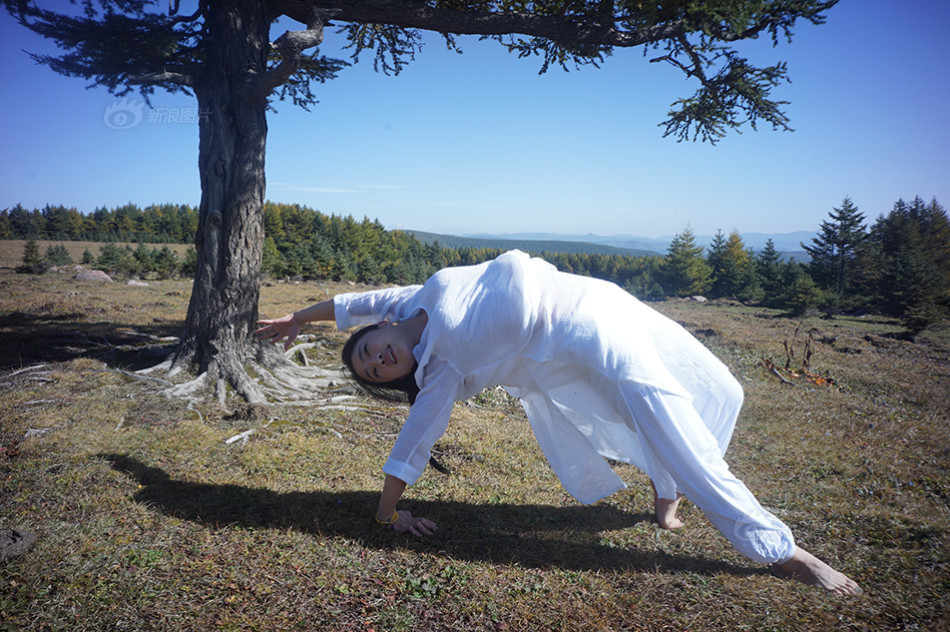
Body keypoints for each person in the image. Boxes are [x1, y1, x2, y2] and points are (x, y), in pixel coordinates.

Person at [255, 250, 861, 595]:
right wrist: (388, 513)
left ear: (379, 330)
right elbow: (414, 441)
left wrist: (297, 320)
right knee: (666, 417)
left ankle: (665, 492)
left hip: (601, 297)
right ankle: (779, 550)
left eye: (368, 351)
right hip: (577, 338)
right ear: (400, 379)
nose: (378, 362)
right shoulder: (441, 372)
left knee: (719, 388)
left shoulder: (417, 298)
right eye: (377, 375)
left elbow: (355, 301)